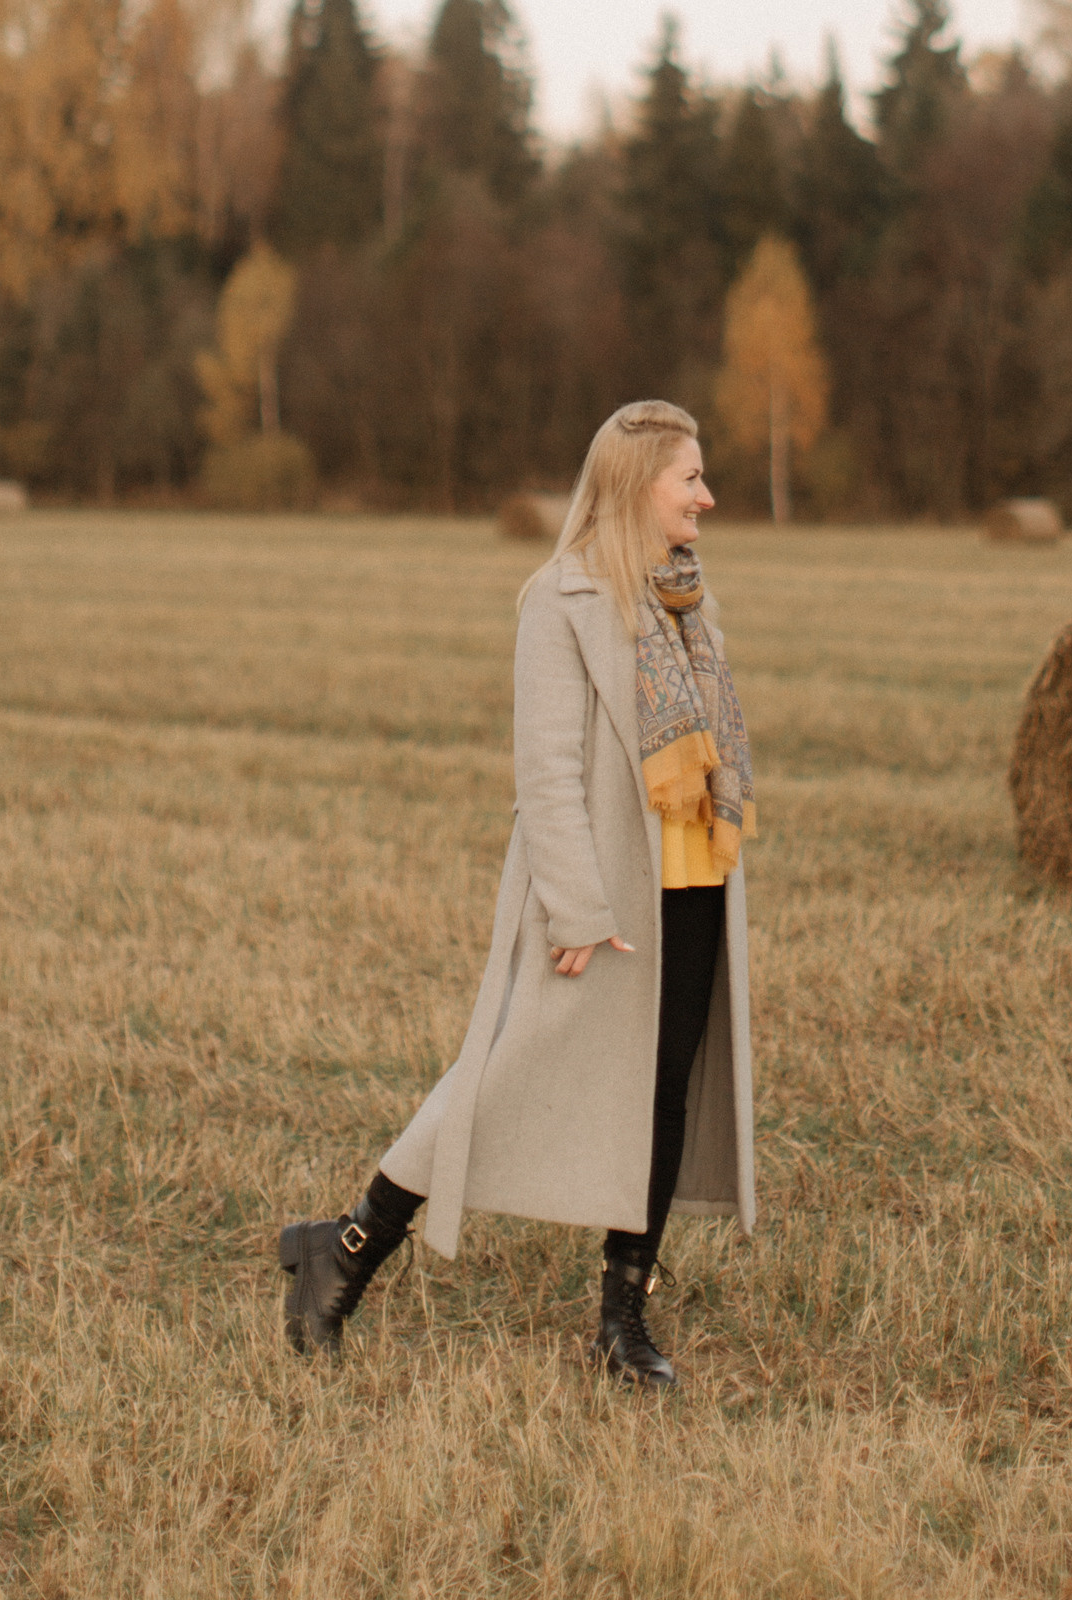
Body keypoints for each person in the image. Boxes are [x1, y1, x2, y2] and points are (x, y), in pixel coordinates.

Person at [278, 398, 755, 1392]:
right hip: (603, 896)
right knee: (493, 1079)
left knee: (659, 1095)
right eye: (690, 478)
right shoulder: (560, 599)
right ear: (635, 486)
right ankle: (346, 1249)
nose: (705, 496)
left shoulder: (687, 603)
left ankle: (622, 1319)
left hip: (691, 880)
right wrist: (576, 906)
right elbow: (545, 770)